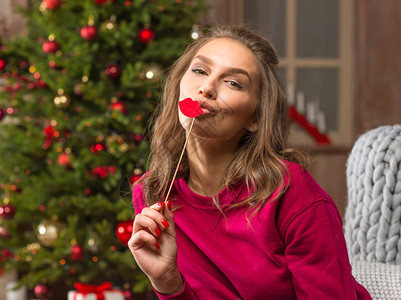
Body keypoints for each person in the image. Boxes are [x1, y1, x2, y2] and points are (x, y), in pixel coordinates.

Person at [128, 25, 372, 300]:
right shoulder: (153, 193)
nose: (206, 88)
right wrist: (167, 282)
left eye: (233, 83)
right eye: (199, 71)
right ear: (178, 87)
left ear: (255, 118)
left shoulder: (292, 193)